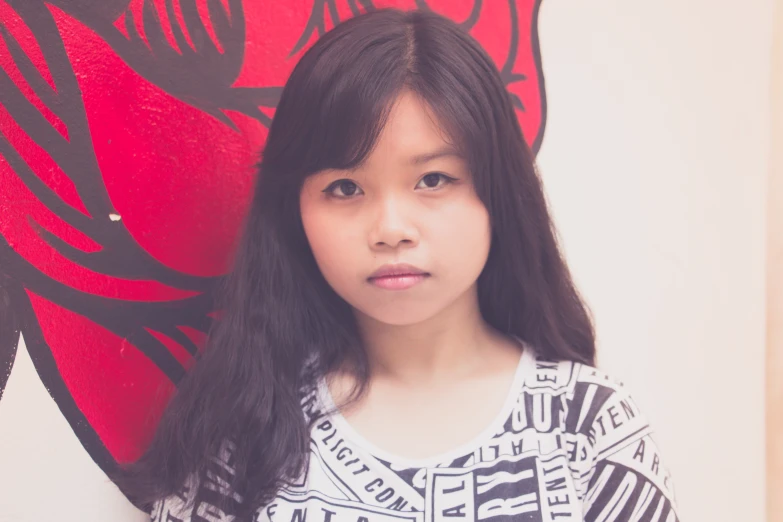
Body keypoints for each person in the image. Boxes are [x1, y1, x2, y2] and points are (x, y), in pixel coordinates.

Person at [114, 8, 680, 522]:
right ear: (295, 212)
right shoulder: (239, 434)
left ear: (499, 192)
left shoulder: (590, 432)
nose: (390, 229)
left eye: (433, 179)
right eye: (344, 187)